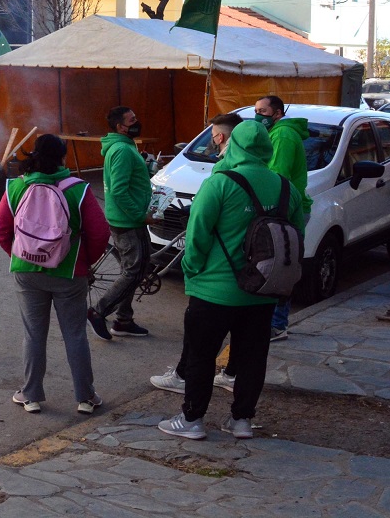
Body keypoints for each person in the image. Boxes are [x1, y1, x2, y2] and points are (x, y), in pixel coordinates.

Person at [158, 121, 305, 440]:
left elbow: (197, 236)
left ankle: (193, 420)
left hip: (214, 291)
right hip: (263, 291)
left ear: (233, 145)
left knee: (201, 354)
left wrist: (191, 270)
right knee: (252, 357)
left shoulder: (219, 183)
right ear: (266, 149)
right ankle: (242, 421)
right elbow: (297, 233)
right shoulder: (284, 187)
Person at [0, 134, 110, 414]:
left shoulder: (17, 187)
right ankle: (85, 397)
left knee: (33, 334)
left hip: (27, 273)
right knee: (75, 334)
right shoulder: (78, 189)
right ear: (62, 157)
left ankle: (30, 395)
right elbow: (100, 232)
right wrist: (85, 262)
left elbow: (0, 228)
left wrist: (20, 256)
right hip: (69, 273)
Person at [149, 113, 243, 394]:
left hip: (216, 272)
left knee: (200, 336)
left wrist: (191, 266)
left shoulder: (221, 176)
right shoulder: (272, 178)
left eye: (214, 134)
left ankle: (187, 393)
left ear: (220, 137)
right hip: (253, 274)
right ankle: (232, 380)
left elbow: (200, 229)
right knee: (241, 332)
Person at [87, 106, 153, 341]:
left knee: (135, 269)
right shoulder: (122, 150)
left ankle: (124, 320)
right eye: (132, 120)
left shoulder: (125, 147)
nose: (137, 122)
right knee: (134, 272)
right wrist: (140, 215)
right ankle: (99, 311)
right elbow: (119, 190)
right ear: (120, 127)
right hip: (128, 220)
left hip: (127, 217)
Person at [254, 95, 311, 341]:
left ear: (277, 113)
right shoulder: (277, 133)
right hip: (283, 209)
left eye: (263, 111)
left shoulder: (283, 135)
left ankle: (277, 325)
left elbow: (277, 176)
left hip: (286, 210)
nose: (258, 115)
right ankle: (273, 322)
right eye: (256, 110)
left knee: (280, 265)